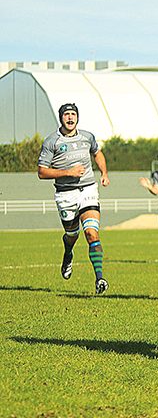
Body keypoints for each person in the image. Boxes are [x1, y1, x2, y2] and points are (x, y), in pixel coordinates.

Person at [37, 102, 110, 294]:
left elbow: (97, 153)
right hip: (65, 194)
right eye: (66, 115)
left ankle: (100, 278)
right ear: (61, 118)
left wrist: (104, 172)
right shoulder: (51, 141)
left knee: (91, 234)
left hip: (88, 189)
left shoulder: (87, 137)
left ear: (77, 117)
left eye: (73, 114)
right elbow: (42, 172)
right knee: (72, 235)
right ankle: (68, 254)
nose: (70, 118)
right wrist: (68, 172)